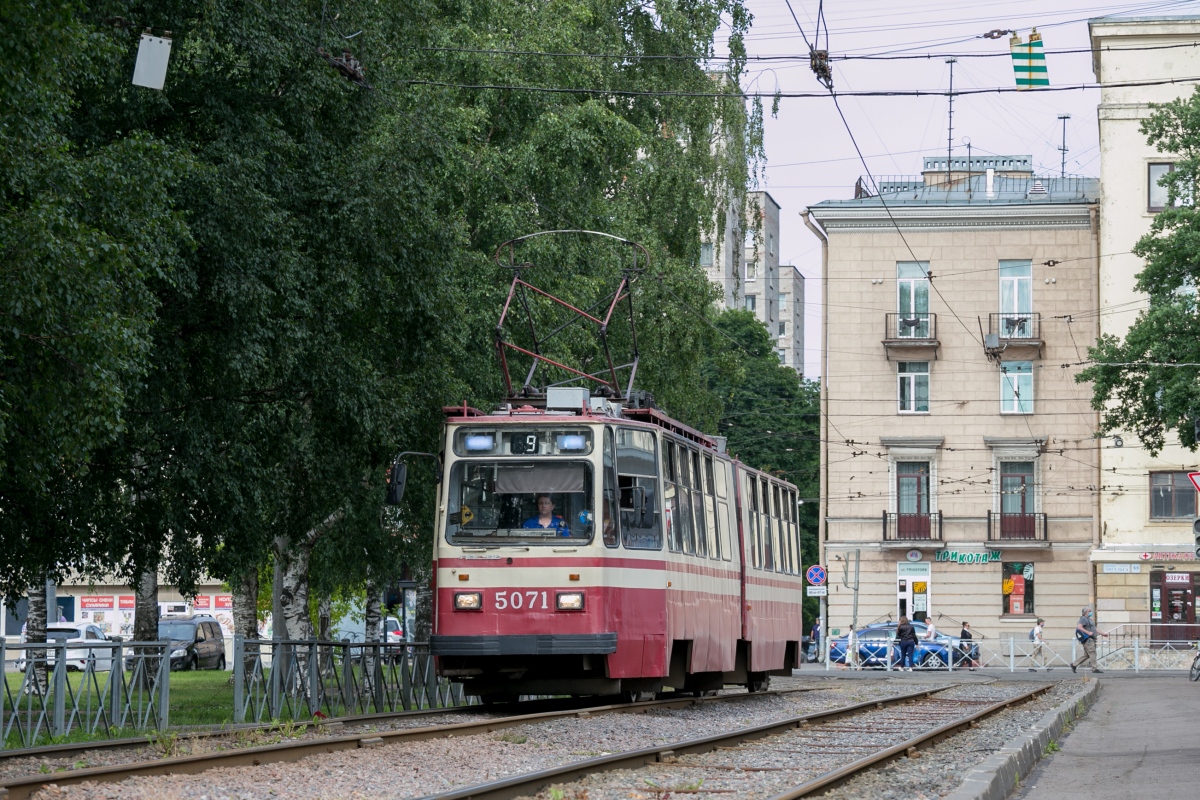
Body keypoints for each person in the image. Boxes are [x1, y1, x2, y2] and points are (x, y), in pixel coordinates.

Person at [1071, 605, 1107, 673]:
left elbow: (1095, 629)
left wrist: (1103, 633)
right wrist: (1088, 632)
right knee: (1092, 653)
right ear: (1085, 612)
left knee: (1087, 655)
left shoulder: (1089, 620)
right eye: (1089, 611)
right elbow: (1079, 627)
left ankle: (1074, 664)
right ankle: (1094, 668)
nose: (1091, 612)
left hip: (1091, 639)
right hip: (1088, 639)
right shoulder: (1083, 619)